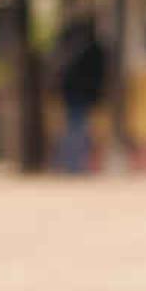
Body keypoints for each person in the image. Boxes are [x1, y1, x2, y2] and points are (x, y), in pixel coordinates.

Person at [54, 12, 110, 176]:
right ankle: (74, 165)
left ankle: (71, 164)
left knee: (75, 127)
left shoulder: (76, 48)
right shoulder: (90, 49)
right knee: (78, 128)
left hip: (75, 93)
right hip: (80, 94)